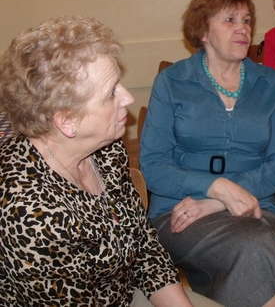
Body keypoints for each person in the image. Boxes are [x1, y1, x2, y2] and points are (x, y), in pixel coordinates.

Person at [0, 17, 199, 306]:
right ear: (68, 120)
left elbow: (144, 245)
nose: (128, 98)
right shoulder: (29, 212)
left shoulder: (104, 149)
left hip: (125, 292)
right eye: (111, 93)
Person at [140, 0, 275, 307]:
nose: (243, 29)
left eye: (247, 20)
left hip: (255, 202)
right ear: (203, 31)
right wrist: (215, 187)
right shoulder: (173, 81)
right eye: (230, 20)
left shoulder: (270, 83)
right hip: (179, 209)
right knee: (260, 247)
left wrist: (219, 200)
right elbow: (153, 165)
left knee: (255, 246)